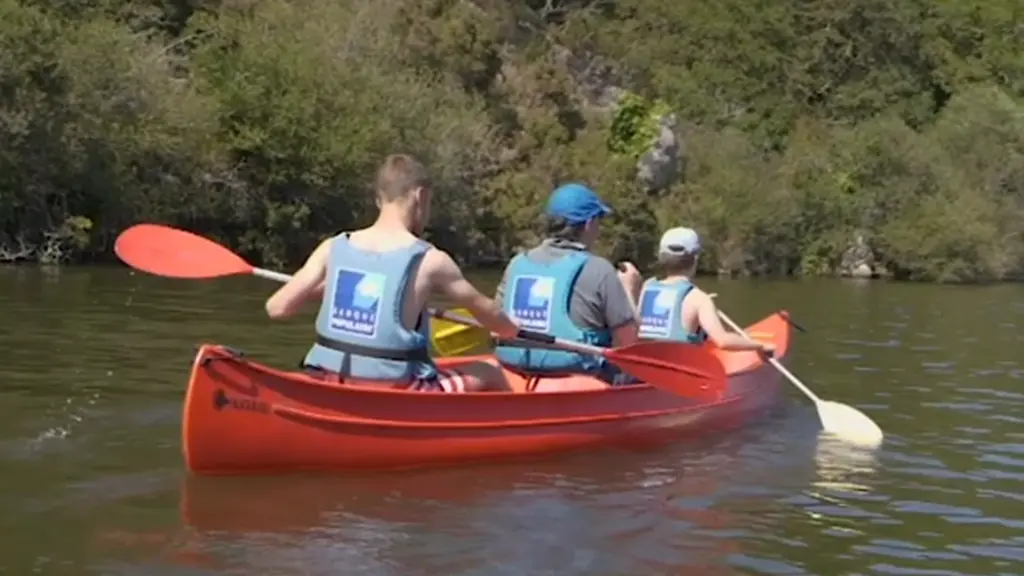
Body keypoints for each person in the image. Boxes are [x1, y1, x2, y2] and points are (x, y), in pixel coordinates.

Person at [264, 153, 520, 392]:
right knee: (489, 371)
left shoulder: (333, 247)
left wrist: (328, 291)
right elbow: (492, 316)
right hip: (396, 389)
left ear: (379, 198)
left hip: (328, 380)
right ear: (420, 196)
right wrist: (510, 330)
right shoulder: (431, 260)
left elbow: (277, 308)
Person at [493, 183, 643, 386]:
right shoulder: (599, 269)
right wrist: (630, 291)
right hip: (579, 376)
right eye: (598, 220)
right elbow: (628, 345)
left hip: (515, 368)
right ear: (589, 224)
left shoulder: (516, 264)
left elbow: (494, 327)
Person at [638, 226, 774, 354]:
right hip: (681, 372)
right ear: (695, 258)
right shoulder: (699, 299)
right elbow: (723, 341)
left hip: (647, 366)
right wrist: (759, 345)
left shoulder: (648, 287)